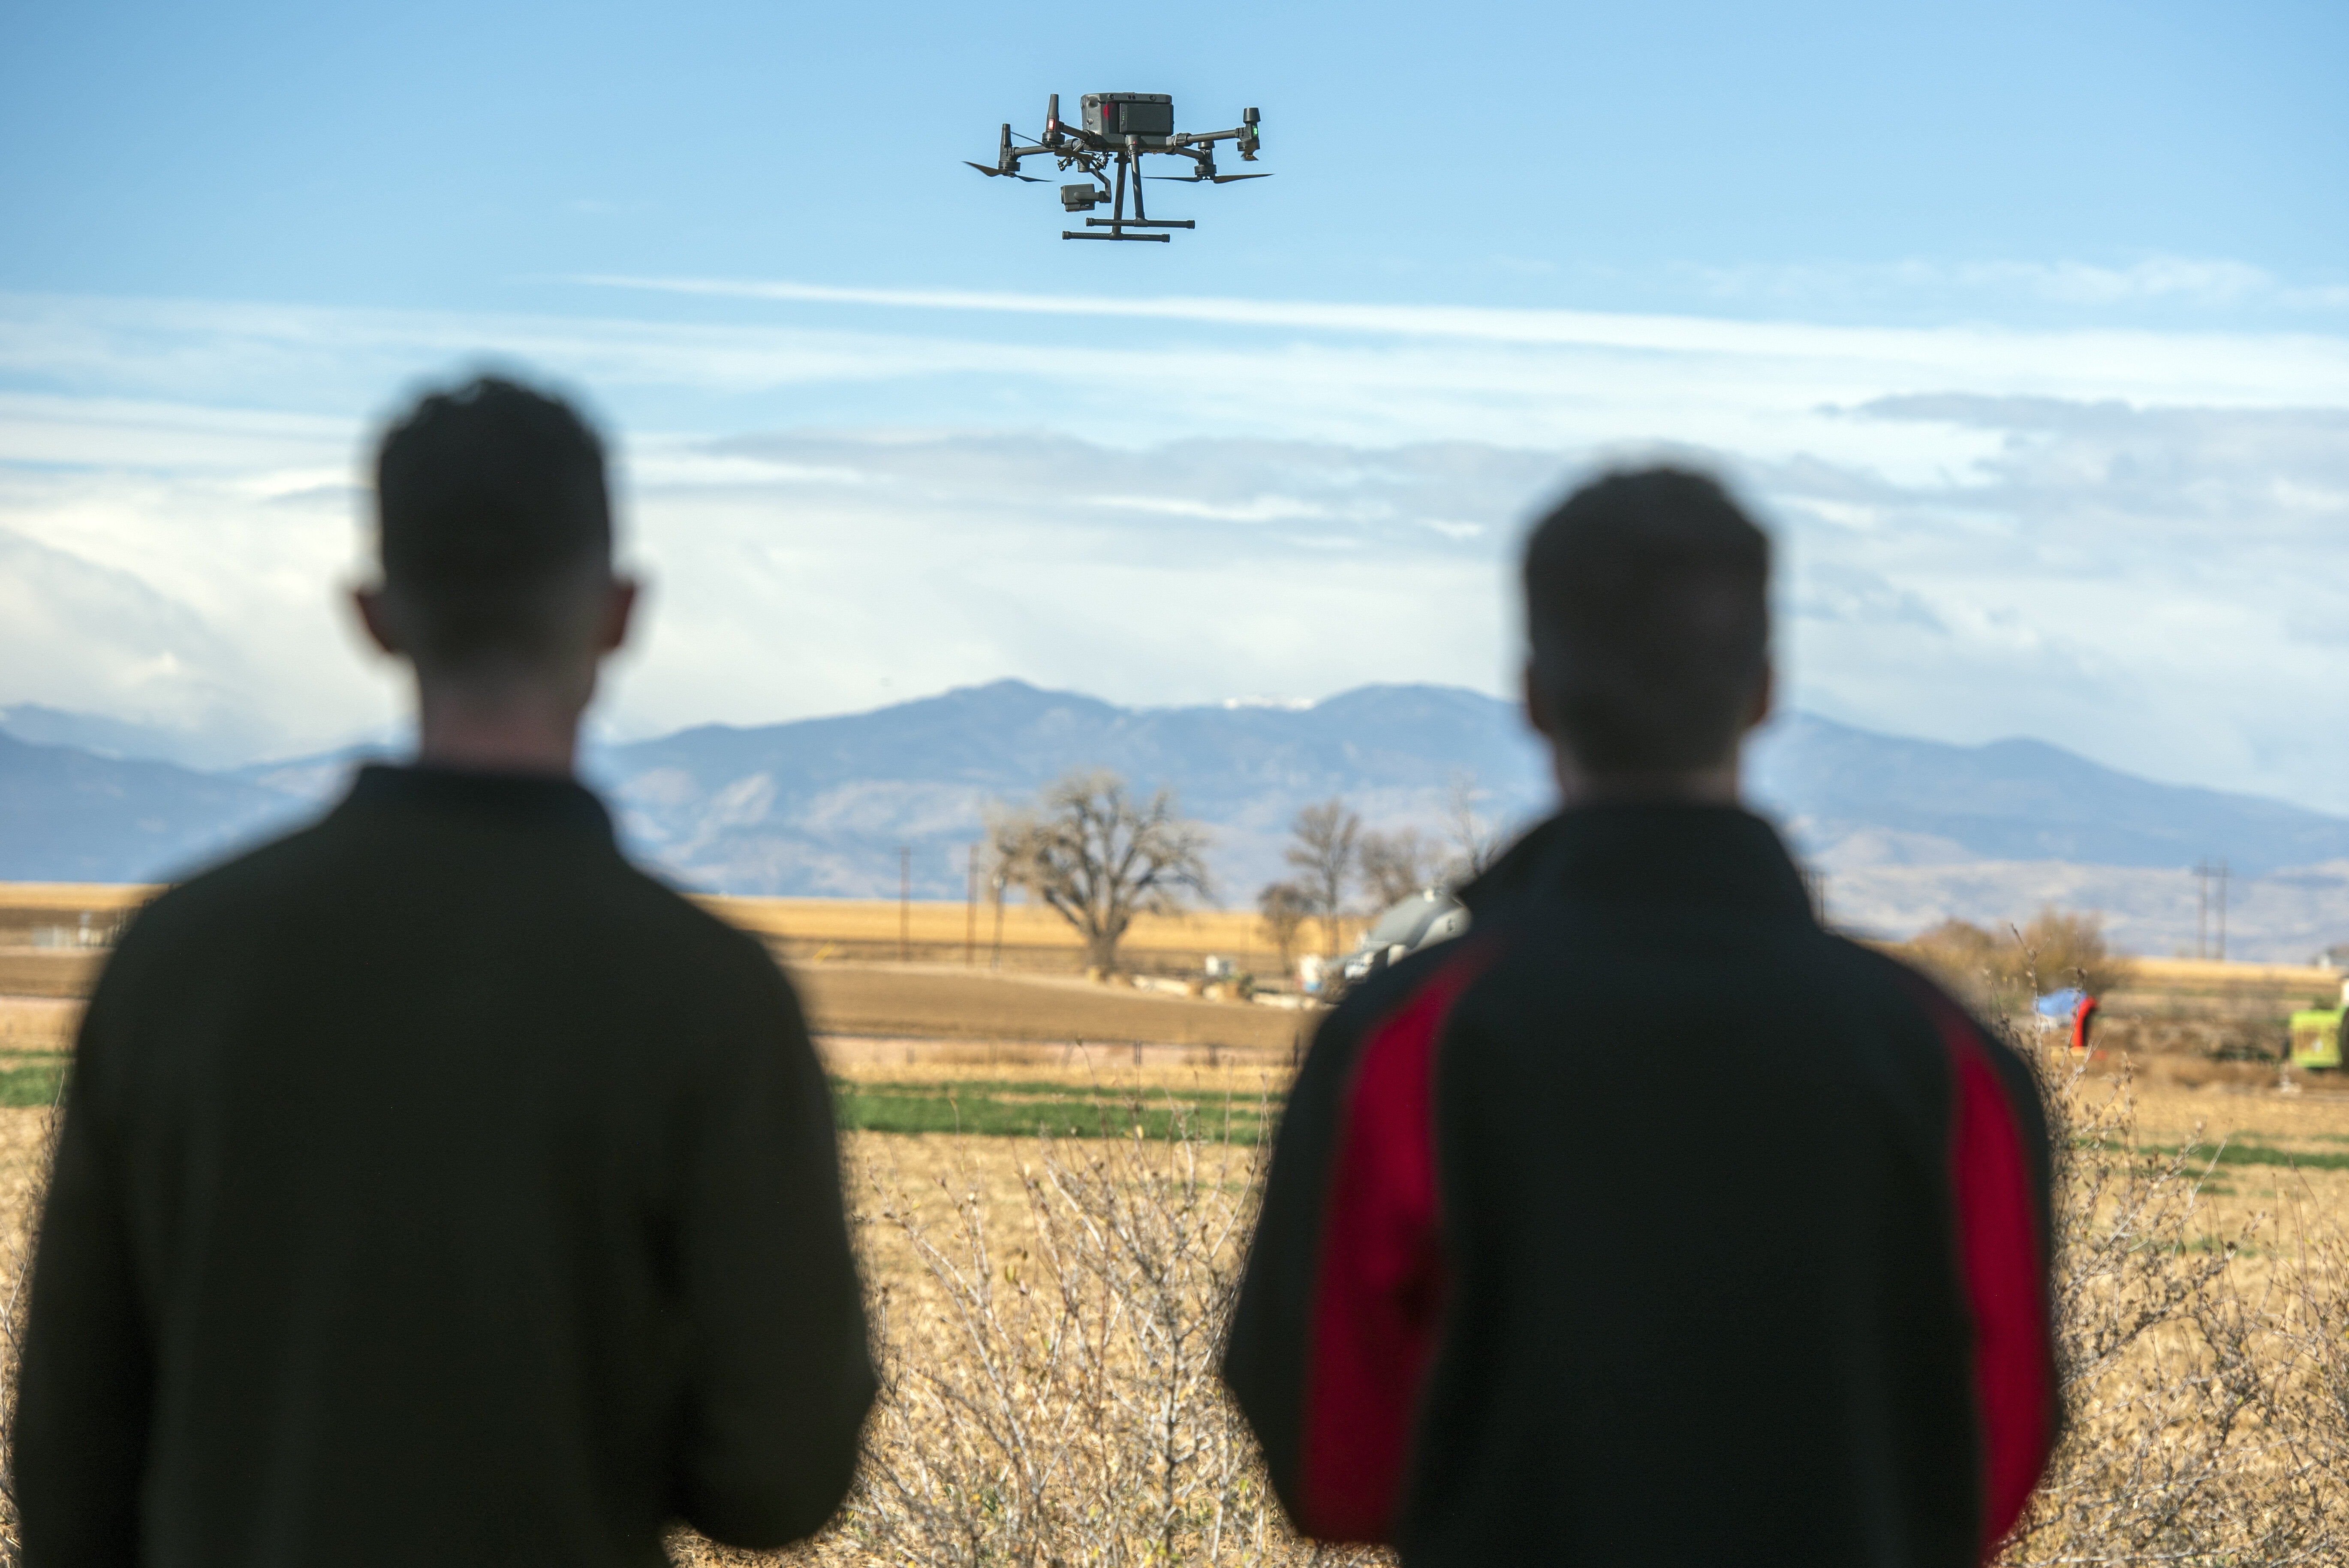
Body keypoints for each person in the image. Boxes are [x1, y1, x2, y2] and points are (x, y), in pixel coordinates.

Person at [13, 376, 874, 1568]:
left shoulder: (176, 963)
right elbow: (779, 1477)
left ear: (372, 616)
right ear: (620, 613)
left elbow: (68, 1468)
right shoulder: (711, 998)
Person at [1224, 468, 2058, 1567]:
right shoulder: (1944, 1059)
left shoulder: (1405, 1044)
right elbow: (1989, 1468)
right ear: (1765, 692)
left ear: (1533, 696)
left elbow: (1334, 1464)